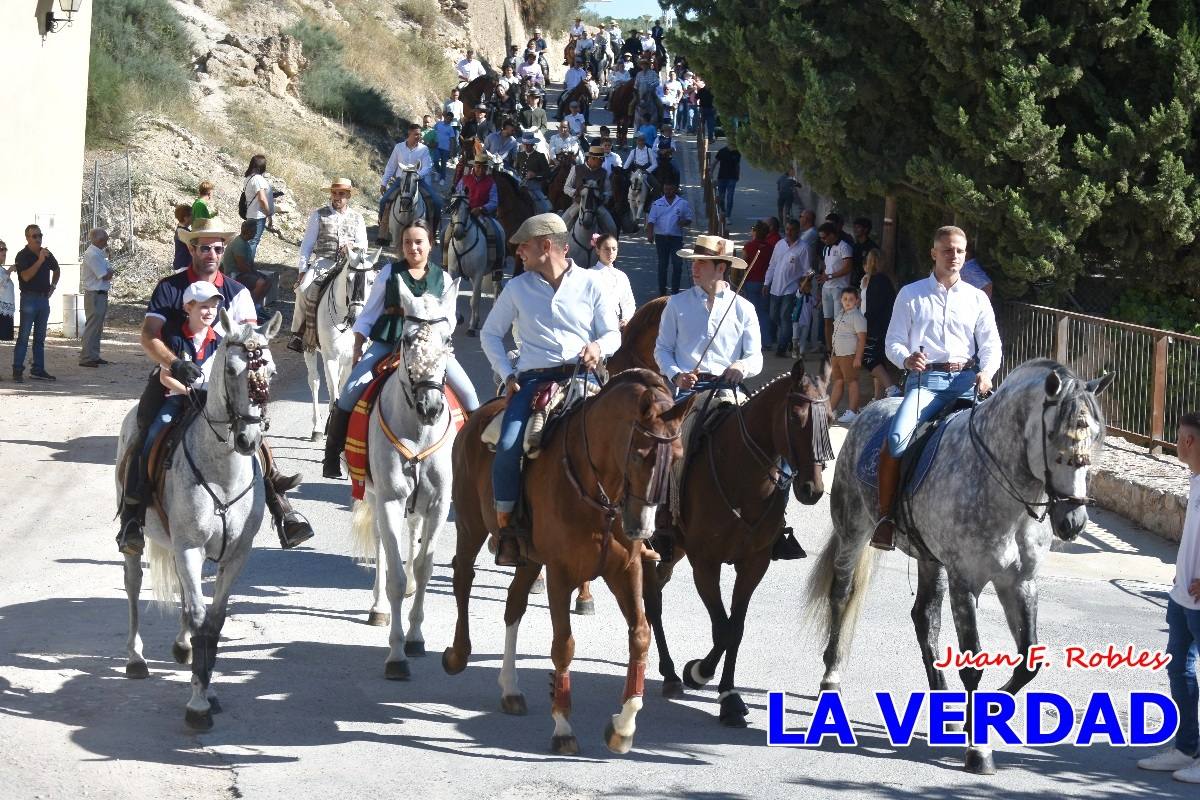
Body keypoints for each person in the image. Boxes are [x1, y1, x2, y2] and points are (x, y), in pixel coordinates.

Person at [123, 215, 313, 556]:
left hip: (223, 387)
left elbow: (254, 341)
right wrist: (174, 362)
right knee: (146, 434)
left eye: (218, 247)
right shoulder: (170, 287)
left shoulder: (237, 293)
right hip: (172, 380)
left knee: (256, 439)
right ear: (191, 248)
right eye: (204, 246)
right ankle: (133, 517)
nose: (211, 252)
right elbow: (149, 335)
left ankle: (281, 507)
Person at [480, 213, 620, 566]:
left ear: (546, 246)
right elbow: (489, 334)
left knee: (622, 440)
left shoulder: (591, 284)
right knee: (509, 446)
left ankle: (629, 524)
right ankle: (508, 528)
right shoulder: (517, 288)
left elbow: (612, 332)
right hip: (532, 382)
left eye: (523, 246)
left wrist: (598, 348)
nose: (519, 253)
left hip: (582, 378)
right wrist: (508, 374)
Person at [873, 226, 1001, 551]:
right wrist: (905, 359)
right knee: (896, 439)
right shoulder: (911, 294)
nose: (953, 256)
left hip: (967, 383)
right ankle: (886, 518)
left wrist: (986, 373)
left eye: (959, 251)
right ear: (933, 253)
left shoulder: (977, 299)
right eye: (947, 250)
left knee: (1002, 441)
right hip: (925, 383)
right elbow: (893, 342)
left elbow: (991, 345)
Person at [323, 219, 480, 478]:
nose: (413, 248)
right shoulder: (389, 273)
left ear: (431, 244)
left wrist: (434, 343)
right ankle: (332, 455)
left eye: (419, 242)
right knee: (351, 390)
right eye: (407, 242)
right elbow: (370, 311)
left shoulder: (442, 277)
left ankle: (475, 458)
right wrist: (360, 344)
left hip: (430, 349)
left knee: (469, 393)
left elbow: (449, 319)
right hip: (388, 341)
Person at [1137, 411, 1200, 783]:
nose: (1175, 443)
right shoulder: (1195, 480)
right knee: (1180, 668)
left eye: (1178, 437)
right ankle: (1187, 747)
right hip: (1182, 596)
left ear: (1189, 442)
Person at [289, 178, 369, 352]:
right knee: (302, 290)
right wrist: (303, 269)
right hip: (323, 263)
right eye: (334, 193)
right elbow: (307, 245)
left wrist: (351, 247)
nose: (337, 197)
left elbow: (363, 246)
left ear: (348, 196)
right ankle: (298, 333)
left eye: (341, 193)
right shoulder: (318, 215)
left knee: (365, 290)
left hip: (348, 264)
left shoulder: (358, 218)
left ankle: (365, 330)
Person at [12, 224, 59, 382]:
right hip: (29, 299)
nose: (38, 239)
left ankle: (38, 370)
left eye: (40, 235)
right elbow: (25, 277)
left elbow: (57, 269)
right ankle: (17, 370)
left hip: (43, 299)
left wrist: (53, 286)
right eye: (34, 236)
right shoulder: (22, 255)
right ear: (27, 238)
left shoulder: (46, 253)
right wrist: (40, 260)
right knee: (24, 337)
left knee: (40, 338)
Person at [379, 122, 437, 245]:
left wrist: (418, 175)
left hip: (418, 180)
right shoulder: (398, 147)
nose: (418, 137)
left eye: (419, 135)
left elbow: (428, 166)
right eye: (416, 134)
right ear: (409, 134)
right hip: (401, 180)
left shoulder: (424, 149)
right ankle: (383, 232)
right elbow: (391, 166)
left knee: (437, 202)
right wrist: (384, 182)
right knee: (383, 201)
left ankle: (432, 233)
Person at [762, 218, 808, 356]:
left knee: (785, 316)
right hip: (775, 287)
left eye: (792, 230)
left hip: (791, 288)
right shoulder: (779, 244)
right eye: (787, 229)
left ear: (797, 231)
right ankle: (787, 336)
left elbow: (808, 270)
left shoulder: (803, 247)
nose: (789, 232)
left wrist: (803, 285)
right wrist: (766, 283)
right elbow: (772, 265)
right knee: (773, 316)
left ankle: (782, 347)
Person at [453, 153, 506, 273]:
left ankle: (497, 265)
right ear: (474, 167)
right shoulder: (465, 179)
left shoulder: (491, 182)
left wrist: (481, 209)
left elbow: (494, 201)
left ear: (487, 168)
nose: (480, 169)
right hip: (463, 213)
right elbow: (457, 195)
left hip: (482, 214)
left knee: (497, 232)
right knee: (446, 233)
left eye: (483, 167)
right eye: (478, 166)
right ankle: (445, 261)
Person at [860, 246, 898, 399]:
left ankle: (891, 388)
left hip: (875, 327)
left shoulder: (878, 280)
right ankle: (878, 398)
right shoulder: (882, 279)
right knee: (878, 361)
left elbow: (874, 308)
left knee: (868, 358)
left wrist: (863, 326)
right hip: (883, 326)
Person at [646, 179, 693, 296]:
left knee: (677, 264)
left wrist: (684, 222)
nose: (668, 191)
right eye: (666, 189)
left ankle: (675, 292)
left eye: (670, 189)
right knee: (663, 265)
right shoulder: (657, 203)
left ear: (676, 189)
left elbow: (689, 218)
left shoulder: (682, 203)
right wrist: (650, 234)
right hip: (661, 238)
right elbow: (651, 220)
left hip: (676, 238)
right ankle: (662, 292)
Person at [828, 285, 867, 423]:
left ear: (857, 301)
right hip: (837, 355)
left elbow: (862, 339)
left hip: (849, 355)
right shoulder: (840, 314)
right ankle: (830, 410)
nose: (847, 301)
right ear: (841, 300)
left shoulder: (857, 317)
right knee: (837, 381)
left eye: (851, 299)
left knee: (852, 382)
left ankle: (853, 411)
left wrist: (858, 357)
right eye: (845, 299)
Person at [817, 221, 853, 354]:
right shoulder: (826, 248)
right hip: (827, 287)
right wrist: (823, 278)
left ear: (832, 234)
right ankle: (829, 349)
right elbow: (826, 268)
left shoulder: (844, 247)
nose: (823, 240)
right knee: (827, 320)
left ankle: (839, 349)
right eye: (821, 237)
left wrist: (830, 276)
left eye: (825, 237)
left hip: (839, 287)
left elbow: (848, 268)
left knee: (838, 321)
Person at [563, 145, 617, 237]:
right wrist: (575, 192)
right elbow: (566, 187)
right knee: (562, 226)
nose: (602, 162)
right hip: (578, 204)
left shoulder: (604, 172)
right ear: (592, 158)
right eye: (600, 159)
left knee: (612, 227)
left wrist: (603, 196)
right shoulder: (576, 169)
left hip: (598, 206)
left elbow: (609, 191)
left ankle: (611, 247)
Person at [79, 228, 114, 368]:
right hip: (95, 294)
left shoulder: (98, 253)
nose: (106, 242)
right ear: (99, 240)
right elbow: (104, 275)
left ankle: (93, 355)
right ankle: (87, 357)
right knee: (92, 327)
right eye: (104, 240)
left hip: (99, 293)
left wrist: (109, 271)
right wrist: (110, 272)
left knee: (97, 327)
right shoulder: (93, 255)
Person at [221, 219, 271, 311]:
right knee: (261, 283)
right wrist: (255, 274)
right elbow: (242, 266)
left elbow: (248, 264)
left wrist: (255, 273)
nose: (256, 232)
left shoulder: (245, 243)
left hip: (242, 273)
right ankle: (250, 308)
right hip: (234, 275)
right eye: (254, 230)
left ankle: (257, 305)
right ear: (249, 231)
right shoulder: (239, 244)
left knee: (267, 280)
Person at [741, 220, 775, 347]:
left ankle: (754, 341)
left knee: (752, 313)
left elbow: (742, 264)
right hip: (766, 282)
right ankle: (766, 340)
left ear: (755, 232)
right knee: (764, 312)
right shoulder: (771, 248)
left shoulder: (748, 246)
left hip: (751, 282)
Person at [590, 233, 636, 326]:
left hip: (615, 324)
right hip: (593, 324)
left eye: (614, 249)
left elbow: (628, 302)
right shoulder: (589, 274)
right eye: (606, 249)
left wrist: (626, 319)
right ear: (598, 250)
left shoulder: (621, 276)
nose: (610, 252)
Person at [242, 155, 274, 258]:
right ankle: (248, 267)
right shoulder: (258, 179)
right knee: (253, 242)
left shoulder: (249, 178)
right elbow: (262, 199)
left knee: (248, 241)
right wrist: (268, 214)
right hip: (258, 216)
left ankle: (244, 265)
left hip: (251, 214)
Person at [513, 132, 551, 206]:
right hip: (520, 183)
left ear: (533, 144)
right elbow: (516, 169)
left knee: (544, 205)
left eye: (528, 145)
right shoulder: (520, 155)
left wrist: (535, 175)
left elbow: (547, 173)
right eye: (524, 144)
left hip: (535, 184)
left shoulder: (540, 156)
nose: (526, 147)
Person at [713, 141, 741, 218]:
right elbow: (715, 162)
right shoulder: (722, 151)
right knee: (721, 197)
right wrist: (711, 172)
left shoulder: (737, 153)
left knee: (730, 197)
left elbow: (737, 165)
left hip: (732, 178)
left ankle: (728, 215)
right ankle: (723, 210)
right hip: (722, 177)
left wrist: (738, 175)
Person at [851, 217, 879, 287]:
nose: (855, 230)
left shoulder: (872, 247)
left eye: (858, 227)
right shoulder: (855, 246)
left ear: (866, 229)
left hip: (868, 283)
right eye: (854, 227)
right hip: (855, 282)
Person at [433, 111, 457, 182]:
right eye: (448, 118)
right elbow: (433, 132)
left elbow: (452, 140)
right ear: (445, 117)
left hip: (446, 149)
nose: (449, 120)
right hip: (437, 146)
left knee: (443, 164)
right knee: (435, 161)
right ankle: (439, 172)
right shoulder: (438, 124)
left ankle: (442, 178)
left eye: (450, 119)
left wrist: (452, 151)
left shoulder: (450, 128)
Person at [173, 204, 193, 271]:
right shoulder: (182, 232)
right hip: (183, 266)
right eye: (191, 216)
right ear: (185, 218)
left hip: (182, 265)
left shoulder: (181, 230)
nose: (193, 218)